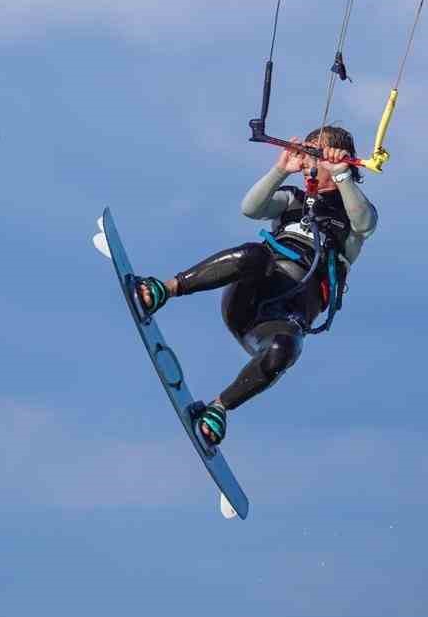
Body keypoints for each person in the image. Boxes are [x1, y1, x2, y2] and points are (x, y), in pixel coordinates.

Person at [135, 125, 377, 447]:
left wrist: (341, 174)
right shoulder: (294, 198)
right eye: (306, 153)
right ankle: (165, 289)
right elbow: (250, 208)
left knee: (285, 349)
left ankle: (218, 409)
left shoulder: (353, 219)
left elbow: (365, 222)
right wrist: (280, 170)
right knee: (253, 255)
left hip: (279, 318)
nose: (306, 161)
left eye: (312, 154)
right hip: (249, 298)